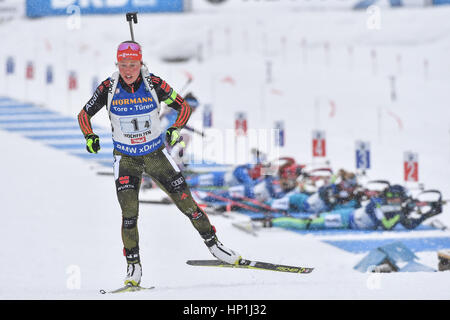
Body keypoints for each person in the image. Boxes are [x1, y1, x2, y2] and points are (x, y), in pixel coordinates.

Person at [77, 41, 241, 287]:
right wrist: (89, 135)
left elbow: (183, 106)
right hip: (126, 159)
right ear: (117, 65)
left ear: (140, 63)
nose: (128, 70)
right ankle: (133, 267)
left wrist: (176, 128)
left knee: (188, 204)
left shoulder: (154, 83)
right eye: (123, 65)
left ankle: (215, 245)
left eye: (133, 65)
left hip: (156, 155)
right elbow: (83, 114)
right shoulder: (108, 87)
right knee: (129, 215)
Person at [267, 184, 442, 231]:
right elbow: (385, 225)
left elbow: (410, 224)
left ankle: (271, 221)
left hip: (348, 217)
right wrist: (402, 212)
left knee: (308, 222)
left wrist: (428, 214)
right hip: (345, 218)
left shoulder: (394, 209)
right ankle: (270, 222)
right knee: (307, 223)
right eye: (400, 199)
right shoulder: (378, 203)